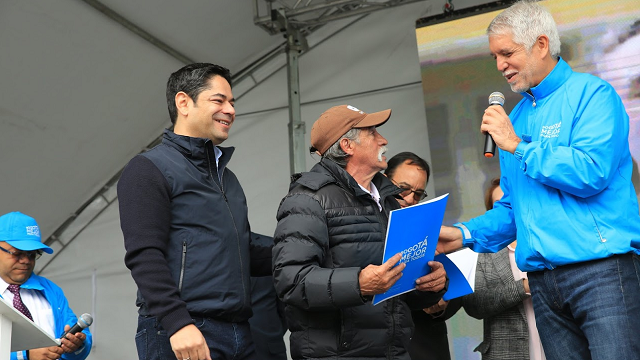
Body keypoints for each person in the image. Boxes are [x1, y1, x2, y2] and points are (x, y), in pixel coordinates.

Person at [437, 2, 640, 360]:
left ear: (541, 45)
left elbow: (590, 171)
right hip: (544, 285)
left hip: (601, 272)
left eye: (507, 53)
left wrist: (517, 145)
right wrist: (465, 234)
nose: (500, 65)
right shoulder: (516, 117)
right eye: (494, 57)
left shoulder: (593, 95)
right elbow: (516, 208)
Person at [118, 63, 271, 360]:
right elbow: (144, 255)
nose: (230, 110)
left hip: (239, 331)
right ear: (183, 102)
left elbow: (243, 249)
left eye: (232, 102)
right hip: (183, 331)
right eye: (219, 100)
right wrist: (177, 324)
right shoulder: (148, 169)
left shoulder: (227, 178)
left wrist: (306, 249)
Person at [272, 105, 448, 360]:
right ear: (347, 145)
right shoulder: (307, 199)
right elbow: (291, 281)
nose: (384, 139)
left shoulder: (387, 199)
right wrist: (359, 284)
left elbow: (398, 294)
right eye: (373, 132)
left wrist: (431, 286)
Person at [461, 178, 545, 360]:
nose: (507, 213)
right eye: (499, 208)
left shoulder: (547, 243)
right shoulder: (482, 253)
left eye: (511, 203)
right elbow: (475, 305)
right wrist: (523, 287)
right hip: (505, 353)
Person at [383, 152, 451, 360]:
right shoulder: (361, 223)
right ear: (385, 180)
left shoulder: (430, 229)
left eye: (419, 193)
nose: (410, 199)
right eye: (403, 189)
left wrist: (441, 296)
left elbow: (454, 289)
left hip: (425, 345)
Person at [0, 211, 92, 360]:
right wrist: (24, 356)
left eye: (32, 254)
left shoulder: (50, 290)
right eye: (17, 253)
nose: (26, 260)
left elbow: (78, 345)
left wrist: (77, 346)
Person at [247, 233, 287, 360]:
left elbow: (286, 308)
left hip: (268, 349)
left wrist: (272, 333)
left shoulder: (273, 248)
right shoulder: (210, 251)